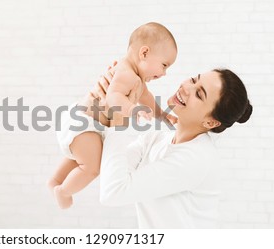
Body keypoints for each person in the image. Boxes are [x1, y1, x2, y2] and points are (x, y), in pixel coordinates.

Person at [95, 67, 253, 228]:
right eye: (193, 79)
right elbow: (108, 168)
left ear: (210, 122)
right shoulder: (157, 138)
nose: (186, 88)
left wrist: (116, 111)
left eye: (199, 94)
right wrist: (109, 94)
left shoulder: (195, 158)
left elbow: (112, 193)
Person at [48, 22, 178, 209]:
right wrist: (132, 110)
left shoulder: (134, 76)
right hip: (85, 123)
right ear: (144, 53)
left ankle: (55, 180)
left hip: (84, 122)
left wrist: (163, 116)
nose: (164, 73)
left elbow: (146, 98)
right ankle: (64, 190)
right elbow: (113, 98)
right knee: (92, 168)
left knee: (82, 156)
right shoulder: (127, 74)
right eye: (164, 65)